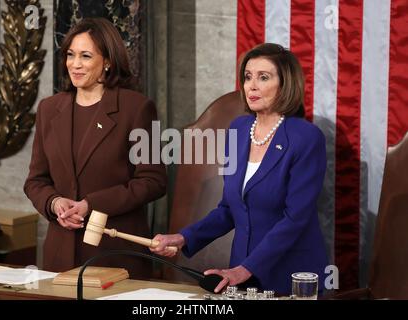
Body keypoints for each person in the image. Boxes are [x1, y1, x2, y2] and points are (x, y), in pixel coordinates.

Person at [151, 43, 328, 295]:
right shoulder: (239, 129)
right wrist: (183, 238)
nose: (251, 86)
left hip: (289, 276)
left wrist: (244, 269)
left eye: (263, 77)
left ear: (285, 84)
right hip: (241, 277)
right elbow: (229, 209)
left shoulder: (306, 138)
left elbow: (295, 218)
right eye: (247, 77)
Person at [24, 18, 166, 279]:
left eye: (85, 56)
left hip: (114, 255)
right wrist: (54, 203)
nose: (75, 64)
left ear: (108, 61)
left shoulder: (137, 108)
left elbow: (153, 180)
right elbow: (36, 181)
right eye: (70, 55)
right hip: (59, 257)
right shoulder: (48, 108)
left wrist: (91, 204)